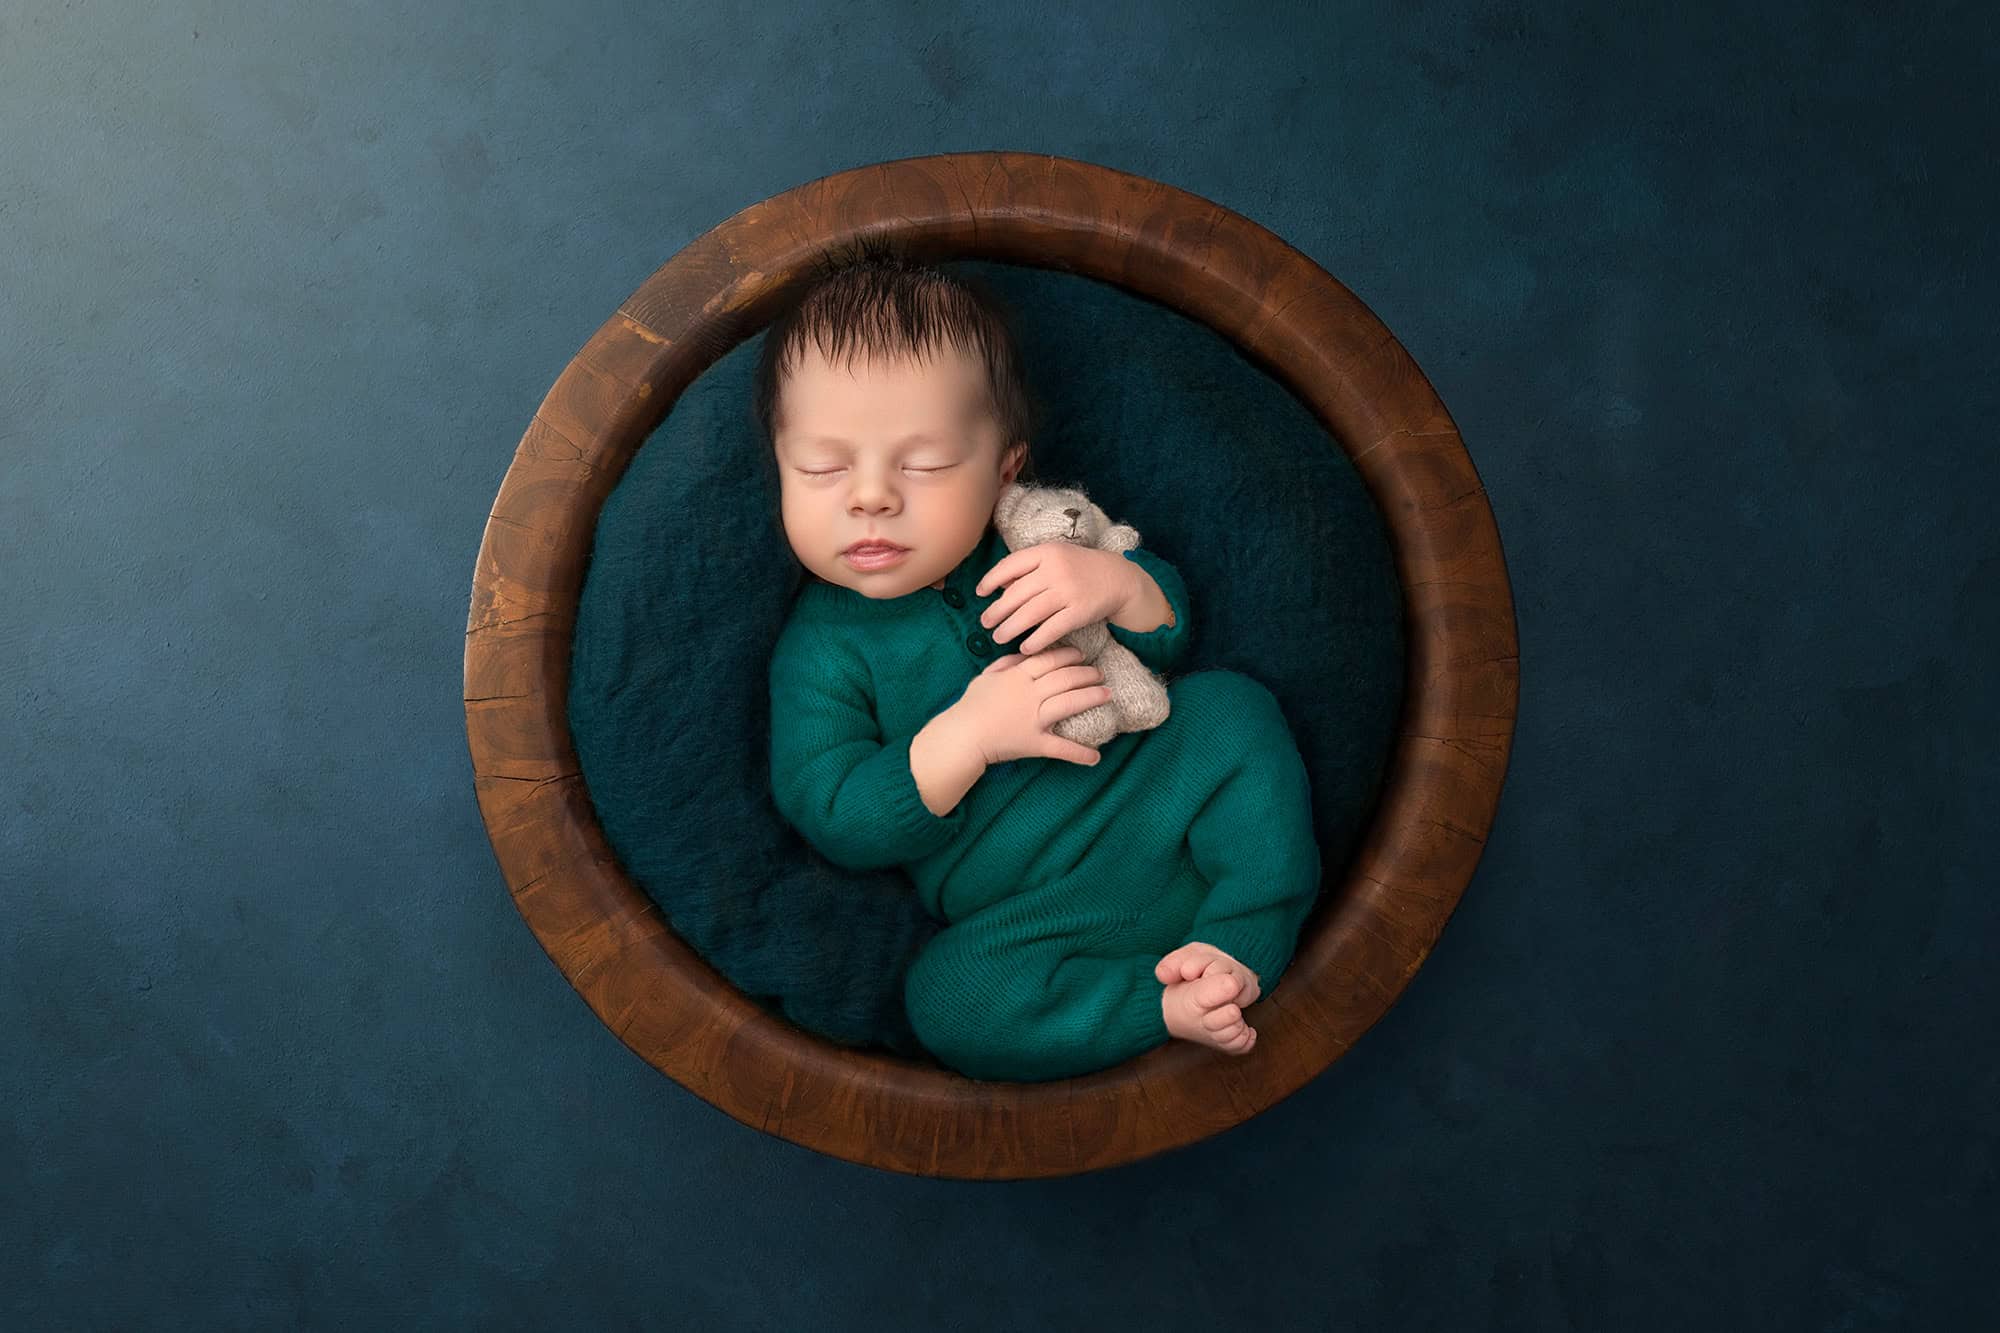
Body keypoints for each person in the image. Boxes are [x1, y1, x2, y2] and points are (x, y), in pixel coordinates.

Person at [759, 241, 1322, 1082]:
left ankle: (1240, 939)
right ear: (780, 466)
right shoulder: (822, 647)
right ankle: (1162, 1000)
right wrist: (968, 737)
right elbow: (833, 811)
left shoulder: (1042, 534)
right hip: (1029, 910)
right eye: (822, 467)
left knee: (1233, 711)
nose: (869, 495)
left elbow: (1169, 639)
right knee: (948, 999)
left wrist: (1117, 584)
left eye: (925, 463)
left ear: (1004, 469)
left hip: (1148, 791)